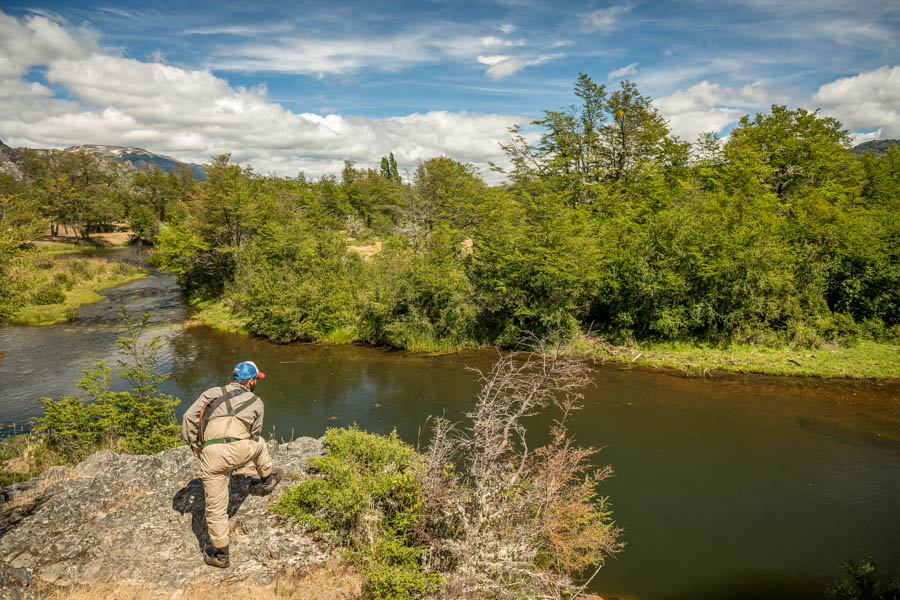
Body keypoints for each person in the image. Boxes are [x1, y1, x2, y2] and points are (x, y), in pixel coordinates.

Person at [181, 360, 282, 568]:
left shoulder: (212, 393)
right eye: (256, 379)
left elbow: (188, 417)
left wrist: (195, 444)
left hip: (211, 453)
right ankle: (268, 480)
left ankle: (221, 555)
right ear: (251, 381)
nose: (256, 382)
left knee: (215, 507)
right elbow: (255, 433)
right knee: (260, 444)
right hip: (240, 450)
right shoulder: (256, 401)